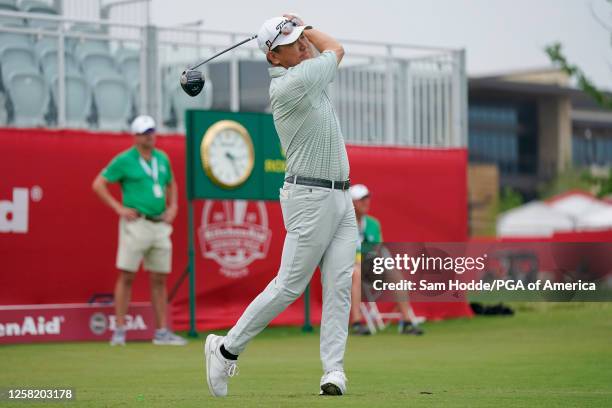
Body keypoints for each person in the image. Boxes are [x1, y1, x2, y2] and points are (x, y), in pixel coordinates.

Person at [204, 14, 357, 397]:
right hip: (309, 198)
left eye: (301, 38)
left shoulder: (305, 73)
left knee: (338, 286)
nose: (303, 44)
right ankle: (225, 349)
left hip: (341, 197)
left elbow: (324, 53)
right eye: (292, 42)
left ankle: (333, 371)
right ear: (274, 57)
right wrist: (307, 25)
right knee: (289, 286)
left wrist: (297, 31)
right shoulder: (292, 85)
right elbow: (336, 49)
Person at [92, 114, 187, 347]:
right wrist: (119, 208)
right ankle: (120, 330)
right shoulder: (125, 160)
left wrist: (173, 206)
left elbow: (171, 184)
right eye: (145, 133)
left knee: (159, 278)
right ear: (135, 136)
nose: (150, 136)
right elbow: (98, 184)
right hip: (136, 224)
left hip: (159, 225)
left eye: (152, 131)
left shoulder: (162, 158)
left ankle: (162, 332)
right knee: (127, 275)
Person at [349, 184, 424, 336]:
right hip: (347, 270)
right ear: (351, 203)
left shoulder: (373, 224)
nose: (366, 203)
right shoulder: (343, 223)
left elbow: (376, 250)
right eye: (361, 200)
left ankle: (407, 322)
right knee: (355, 272)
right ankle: (356, 323)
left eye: (367, 199)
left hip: (369, 267)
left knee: (395, 273)